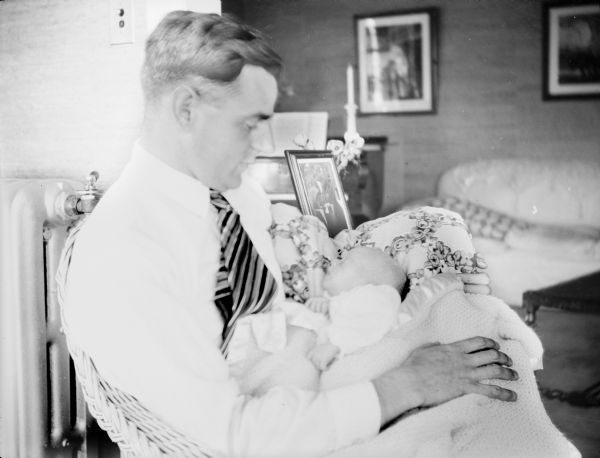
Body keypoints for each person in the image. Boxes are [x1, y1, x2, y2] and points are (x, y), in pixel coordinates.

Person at [62, 11, 517, 457]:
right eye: (249, 124)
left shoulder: (233, 193)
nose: (262, 146)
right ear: (187, 110)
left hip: (320, 353)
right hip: (288, 424)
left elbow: (302, 252)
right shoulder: (122, 254)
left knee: (488, 359)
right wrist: (407, 385)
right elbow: (234, 437)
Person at [305, 246, 409, 370]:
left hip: (353, 363)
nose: (334, 262)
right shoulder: (342, 300)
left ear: (365, 283)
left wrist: (335, 344)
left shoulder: (378, 297)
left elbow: (369, 326)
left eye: (342, 263)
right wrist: (324, 305)